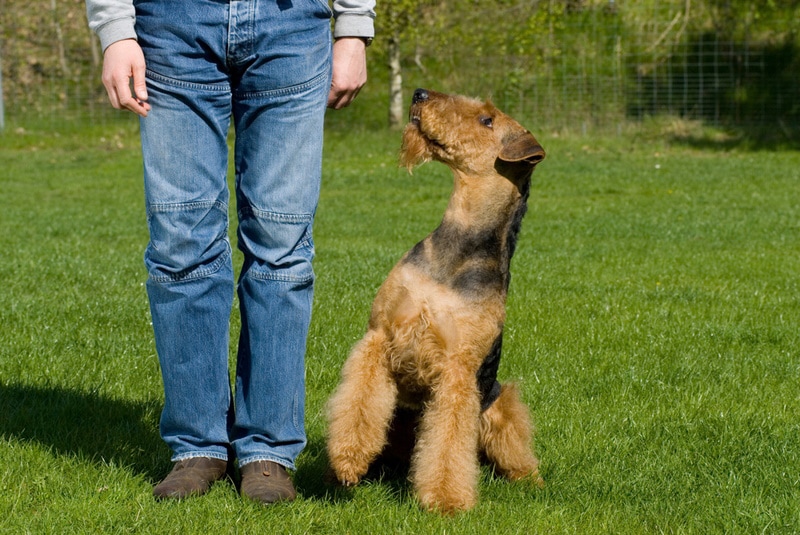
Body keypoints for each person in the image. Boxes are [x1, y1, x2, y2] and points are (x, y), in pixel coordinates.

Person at [85, 0, 375, 504]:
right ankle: (197, 446)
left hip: (291, 28)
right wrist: (114, 29)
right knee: (180, 244)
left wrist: (353, 27)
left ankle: (268, 452)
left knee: (282, 248)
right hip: (172, 26)